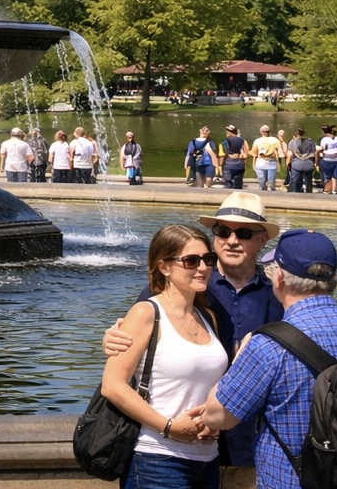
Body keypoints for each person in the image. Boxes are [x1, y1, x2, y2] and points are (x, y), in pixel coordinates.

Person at [102, 193, 284, 483]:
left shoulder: (278, 295)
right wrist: (112, 337)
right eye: (223, 231)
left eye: (244, 233)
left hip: (247, 448)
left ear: (263, 240)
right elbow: (138, 331)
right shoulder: (187, 281)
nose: (231, 240)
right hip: (176, 446)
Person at [201, 230, 337, 489]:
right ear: (334, 278)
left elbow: (218, 416)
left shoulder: (269, 344)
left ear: (278, 277)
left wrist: (239, 359)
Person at [100, 224, 228, 489]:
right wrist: (168, 426)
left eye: (208, 259)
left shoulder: (209, 317)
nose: (203, 267)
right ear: (164, 267)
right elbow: (112, 385)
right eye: (191, 261)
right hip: (156, 460)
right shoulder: (145, 313)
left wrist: (213, 422)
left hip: (207, 458)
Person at [285, 128, 316, 194]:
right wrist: (314, 163)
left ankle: (296, 192)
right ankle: (309, 192)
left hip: (296, 164)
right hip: (308, 163)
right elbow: (313, 153)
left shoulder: (292, 143)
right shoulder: (310, 142)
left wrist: (288, 164)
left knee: (295, 181)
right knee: (308, 181)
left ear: (295, 134)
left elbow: (289, 154)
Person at [251, 126, 281, 193]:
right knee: (271, 183)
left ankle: (263, 194)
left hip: (260, 162)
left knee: (262, 182)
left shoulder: (257, 141)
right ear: (269, 132)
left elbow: (254, 153)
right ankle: (272, 195)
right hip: (272, 163)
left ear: (261, 132)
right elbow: (279, 152)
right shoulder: (275, 140)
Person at [219, 126, 249, 191]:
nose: (226, 133)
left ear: (230, 132)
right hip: (239, 166)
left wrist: (220, 166)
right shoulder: (243, 141)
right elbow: (246, 154)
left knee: (228, 184)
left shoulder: (224, 142)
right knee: (238, 185)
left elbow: (222, 156)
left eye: (227, 131)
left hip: (228, 166)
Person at [317, 126, 337, 195]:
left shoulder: (324, 139)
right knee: (336, 176)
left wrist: (317, 159)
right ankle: (335, 190)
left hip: (326, 158)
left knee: (327, 176)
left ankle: (327, 189)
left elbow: (323, 149)